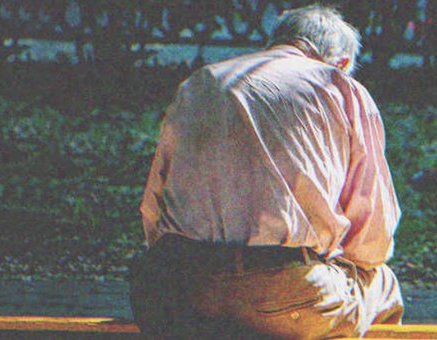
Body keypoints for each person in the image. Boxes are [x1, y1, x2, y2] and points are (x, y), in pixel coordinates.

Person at [129, 5, 404, 339]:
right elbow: (372, 238)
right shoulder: (340, 86)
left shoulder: (201, 82)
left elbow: (153, 210)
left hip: (178, 289)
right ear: (342, 62)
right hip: (285, 296)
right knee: (381, 284)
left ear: (275, 42)